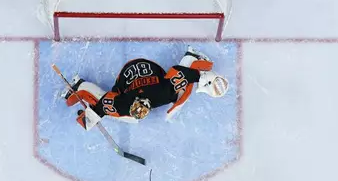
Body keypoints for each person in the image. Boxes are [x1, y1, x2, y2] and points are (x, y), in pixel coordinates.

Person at [62, 47, 229, 130]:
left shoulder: (161, 94)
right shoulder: (123, 105)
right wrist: (93, 115)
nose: (143, 112)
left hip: (145, 73)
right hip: (130, 76)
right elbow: (104, 105)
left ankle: (191, 57)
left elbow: (179, 75)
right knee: (128, 117)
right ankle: (79, 85)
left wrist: (201, 78)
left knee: (175, 94)